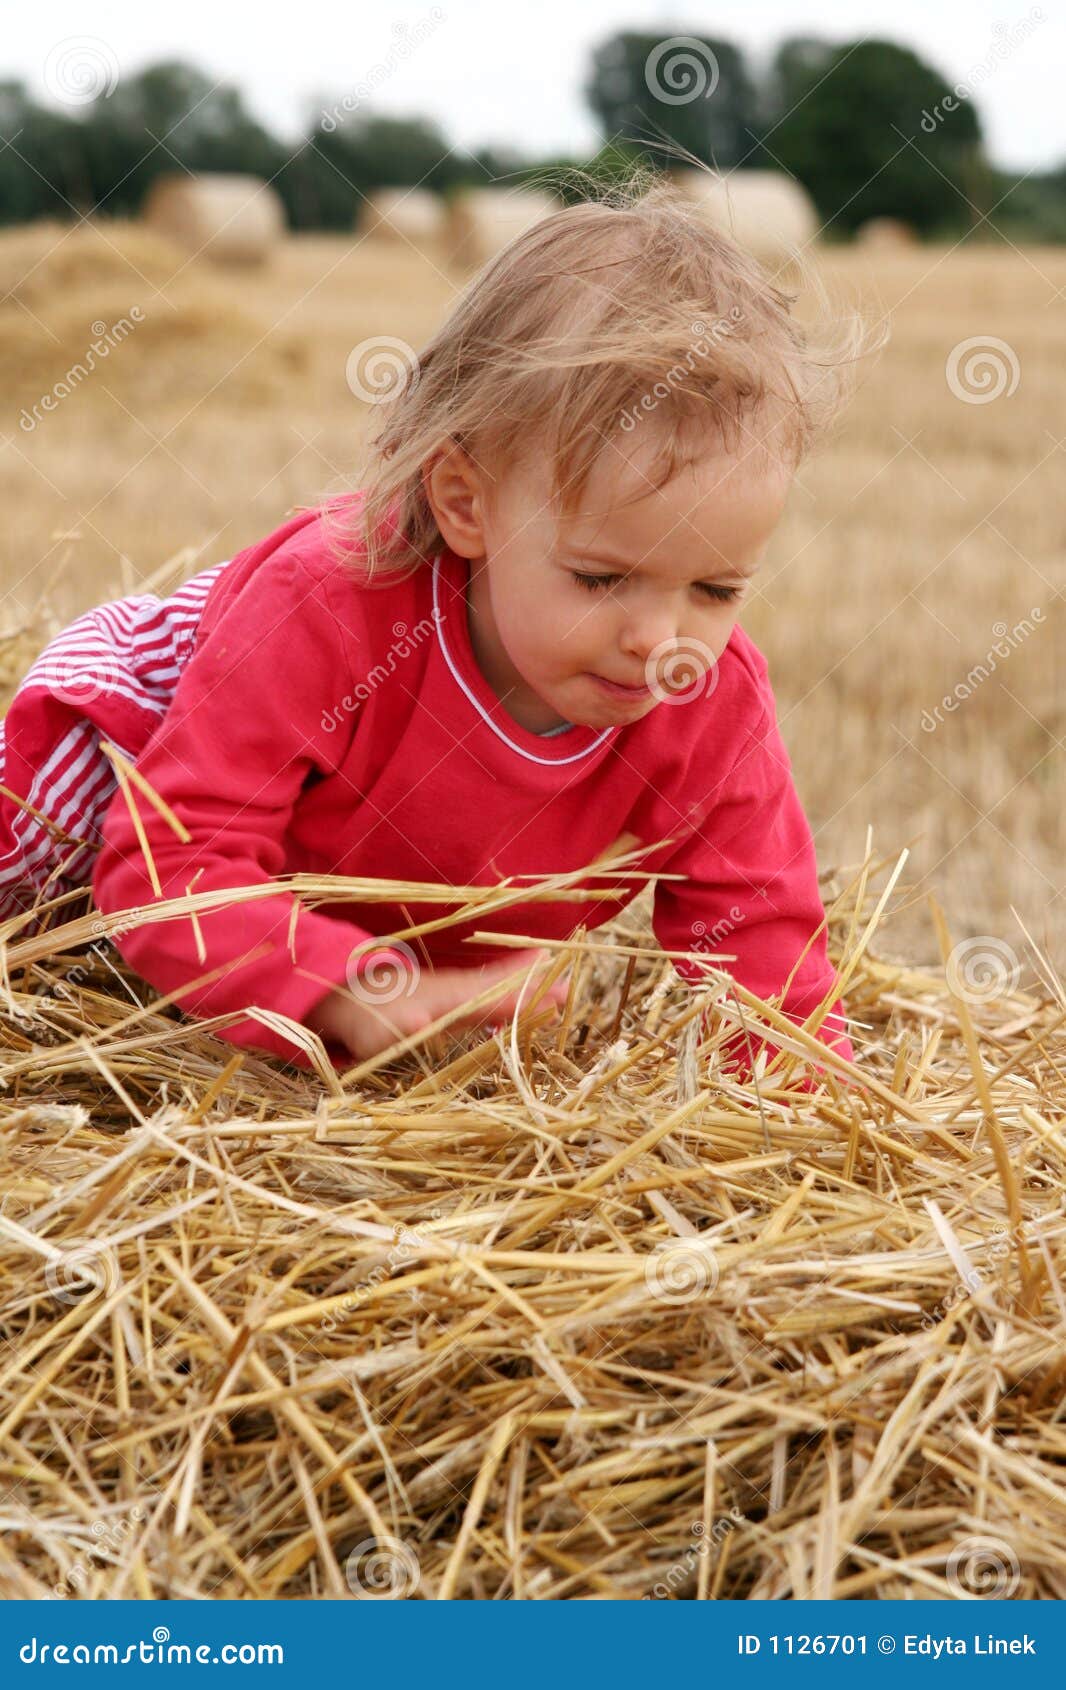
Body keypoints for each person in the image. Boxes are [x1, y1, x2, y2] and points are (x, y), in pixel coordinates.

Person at [0, 174, 864, 1082]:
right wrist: (341, 984)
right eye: (601, 577)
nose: (664, 639)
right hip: (131, 750)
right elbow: (166, 871)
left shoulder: (709, 701)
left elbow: (764, 948)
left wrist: (818, 1109)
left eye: (717, 589)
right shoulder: (327, 608)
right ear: (465, 502)